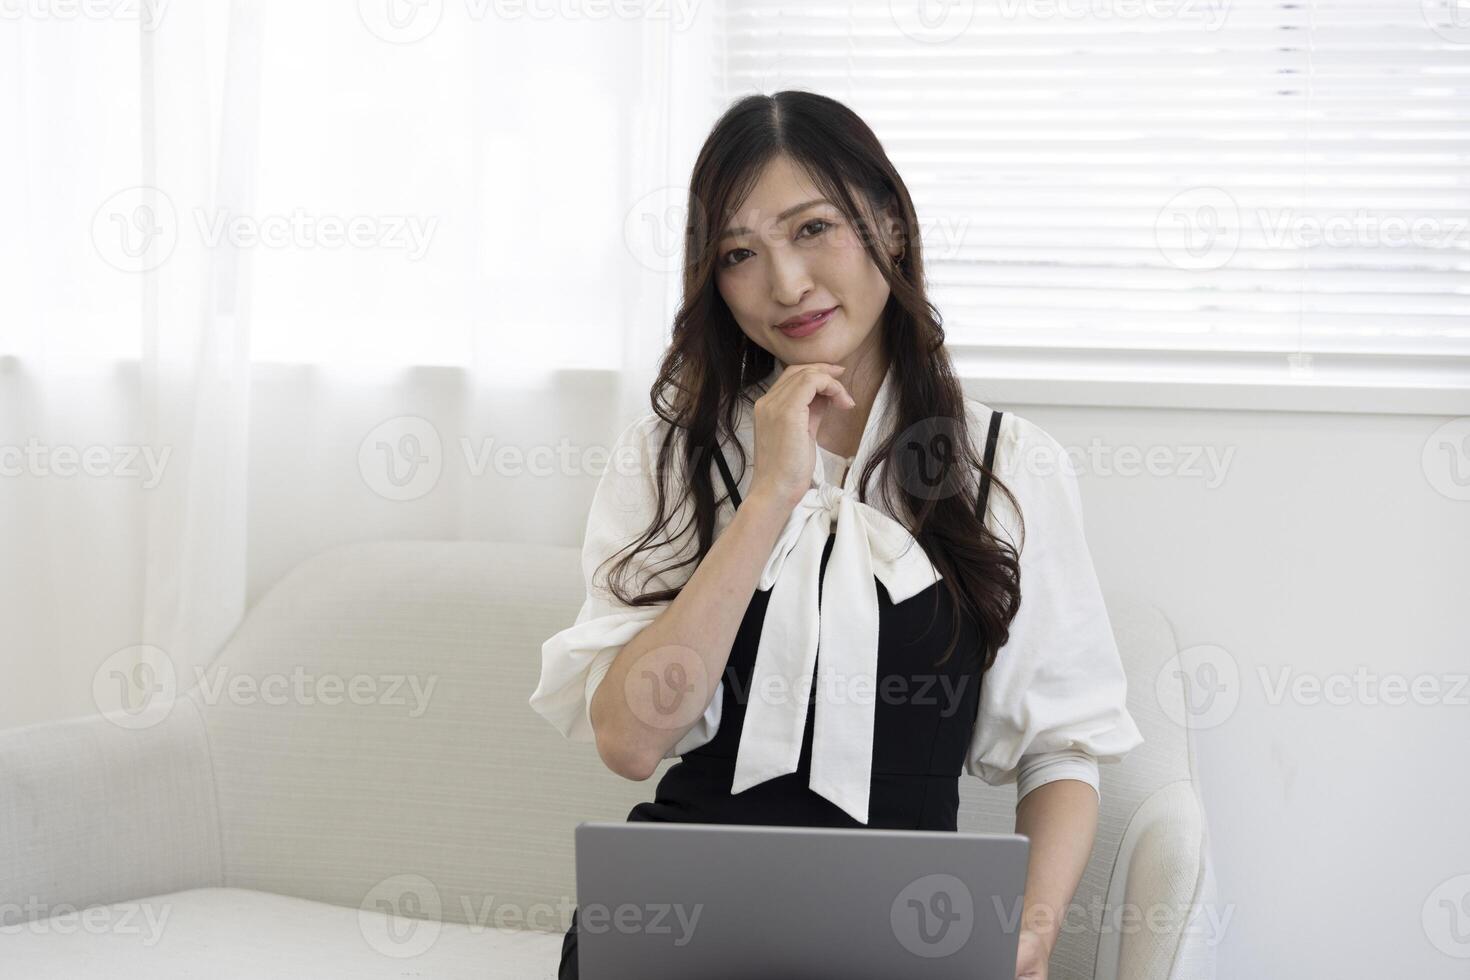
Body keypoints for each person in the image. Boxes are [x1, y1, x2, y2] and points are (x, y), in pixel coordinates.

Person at [528, 90, 1143, 980]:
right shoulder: (671, 456)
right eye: (740, 253)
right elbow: (630, 742)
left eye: (812, 229)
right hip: (680, 922)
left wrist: (1031, 931)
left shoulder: (1008, 464)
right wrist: (771, 493)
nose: (786, 285)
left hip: (909, 930)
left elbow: (1062, 749)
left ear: (887, 226)